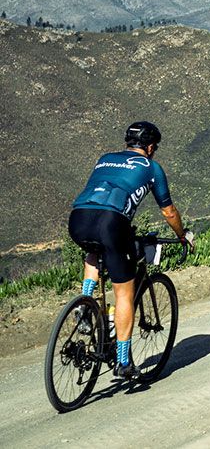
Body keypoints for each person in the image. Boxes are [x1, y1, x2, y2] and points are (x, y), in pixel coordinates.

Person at [69, 121, 194, 380]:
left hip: (78, 218)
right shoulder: (151, 167)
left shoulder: (105, 158)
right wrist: (182, 236)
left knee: (94, 250)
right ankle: (124, 361)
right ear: (149, 147)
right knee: (124, 293)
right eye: (155, 147)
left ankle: (86, 302)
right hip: (112, 223)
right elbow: (168, 211)